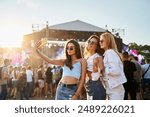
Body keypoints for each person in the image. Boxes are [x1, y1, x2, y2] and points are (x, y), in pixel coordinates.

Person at [99, 32, 127, 100]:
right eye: (100, 41)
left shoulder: (110, 52)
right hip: (111, 88)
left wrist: (103, 69)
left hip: (115, 90)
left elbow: (115, 70)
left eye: (102, 41)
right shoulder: (107, 53)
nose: (100, 42)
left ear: (108, 41)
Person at [84, 35, 106, 100]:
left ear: (97, 46)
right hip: (88, 85)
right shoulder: (86, 57)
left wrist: (95, 67)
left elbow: (102, 71)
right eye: (89, 41)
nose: (90, 43)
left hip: (96, 85)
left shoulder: (98, 57)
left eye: (93, 43)